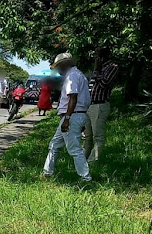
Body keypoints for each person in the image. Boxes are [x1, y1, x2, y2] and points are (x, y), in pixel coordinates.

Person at [43, 52, 92, 182]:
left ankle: (85, 177)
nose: (58, 70)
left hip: (72, 116)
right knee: (54, 145)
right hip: (74, 116)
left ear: (65, 65)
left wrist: (68, 119)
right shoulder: (78, 75)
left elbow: (73, 98)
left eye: (59, 66)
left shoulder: (73, 76)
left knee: (74, 149)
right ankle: (47, 172)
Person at [82, 47, 118, 162]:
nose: (95, 58)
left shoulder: (112, 67)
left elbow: (105, 83)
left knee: (98, 137)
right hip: (89, 105)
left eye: (97, 56)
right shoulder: (98, 68)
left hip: (100, 105)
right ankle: (82, 160)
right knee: (87, 137)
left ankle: (93, 162)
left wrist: (97, 71)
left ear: (102, 57)